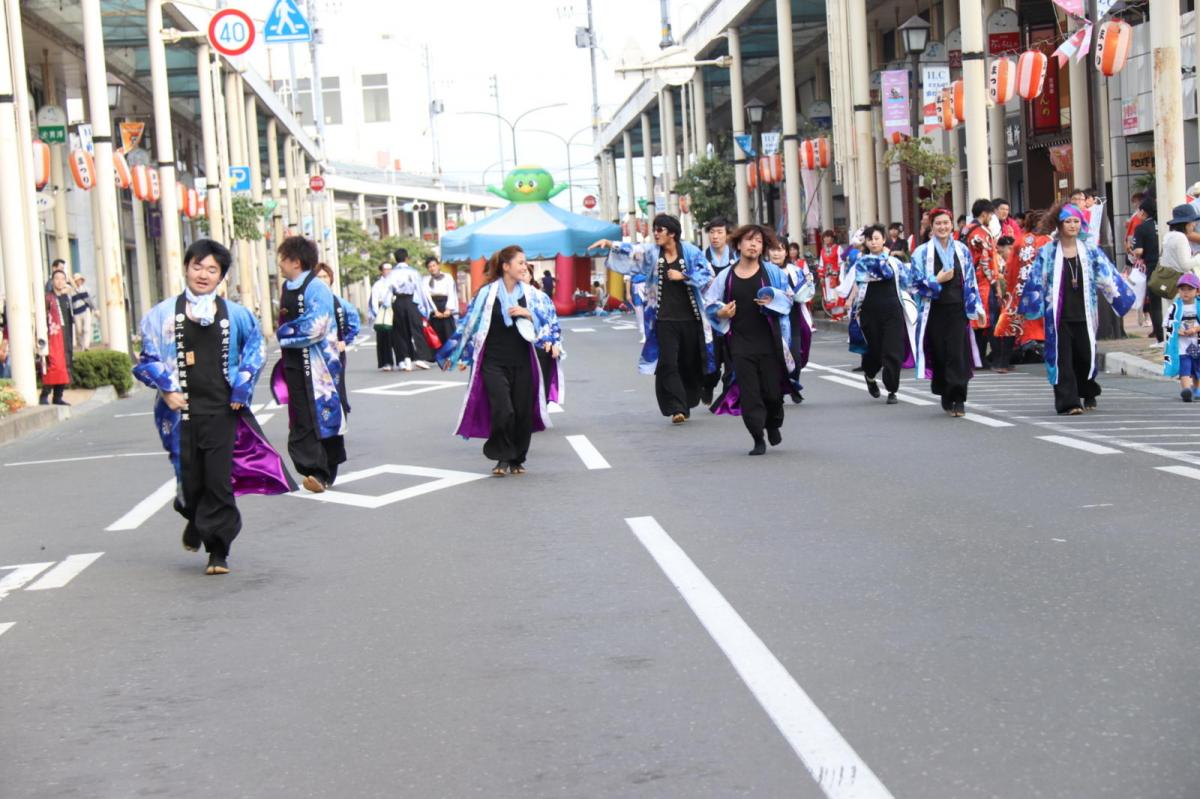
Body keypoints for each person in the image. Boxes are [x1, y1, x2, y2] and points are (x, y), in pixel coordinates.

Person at [132, 239, 294, 575]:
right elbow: (146, 357)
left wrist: (242, 386)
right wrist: (166, 388)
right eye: (197, 266)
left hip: (223, 409)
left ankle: (218, 551)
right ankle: (193, 516)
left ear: (221, 277)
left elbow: (256, 349)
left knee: (219, 481)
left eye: (212, 269)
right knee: (189, 483)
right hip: (180, 413)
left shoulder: (236, 315)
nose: (203, 274)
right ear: (186, 267)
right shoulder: (161, 315)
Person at [438, 245, 556, 476]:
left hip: (523, 360)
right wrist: (455, 354)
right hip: (493, 361)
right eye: (520, 263)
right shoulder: (486, 293)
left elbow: (550, 320)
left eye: (525, 263)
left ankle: (517, 459)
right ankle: (502, 456)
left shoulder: (533, 295)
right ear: (505, 266)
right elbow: (469, 325)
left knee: (522, 412)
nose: (525, 267)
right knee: (503, 409)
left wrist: (528, 314)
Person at [589, 214, 716, 424]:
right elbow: (634, 250)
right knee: (667, 363)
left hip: (691, 319)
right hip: (663, 319)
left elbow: (707, 273)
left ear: (672, 233)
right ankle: (677, 408)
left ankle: (687, 399)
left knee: (688, 363)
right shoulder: (653, 253)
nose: (655, 233)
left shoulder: (691, 252)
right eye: (654, 229)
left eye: (660, 230)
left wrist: (684, 276)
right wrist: (611, 243)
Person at [1020, 204, 1136, 414]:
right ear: (1059, 224)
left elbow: (1106, 276)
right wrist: (1030, 306)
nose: (1073, 226)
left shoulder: (1089, 249)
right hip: (1058, 315)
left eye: (1076, 221)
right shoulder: (1048, 251)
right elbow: (1036, 279)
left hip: (1084, 312)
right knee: (1062, 358)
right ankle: (1069, 402)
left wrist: (1120, 295)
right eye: (1068, 221)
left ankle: (1088, 390)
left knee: (1085, 355)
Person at [704, 224, 796, 455]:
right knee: (749, 393)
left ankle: (773, 424)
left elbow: (789, 299)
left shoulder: (772, 273)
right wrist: (722, 312)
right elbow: (710, 304)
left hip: (770, 341)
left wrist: (774, 300)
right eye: (748, 240)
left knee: (772, 393)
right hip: (739, 343)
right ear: (738, 244)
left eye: (758, 241)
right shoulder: (726, 276)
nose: (753, 244)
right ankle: (757, 437)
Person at [274, 236, 348, 493]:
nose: (280, 264)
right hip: (294, 362)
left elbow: (317, 326)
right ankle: (315, 470)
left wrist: (284, 334)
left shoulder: (317, 288)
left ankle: (321, 471)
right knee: (301, 417)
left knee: (321, 415)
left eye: (283, 258)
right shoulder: (286, 287)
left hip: (319, 366)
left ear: (295, 260)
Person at [911, 208, 984, 417]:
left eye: (946, 223)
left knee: (958, 354)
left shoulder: (962, 250)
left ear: (952, 225)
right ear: (931, 228)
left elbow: (971, 282)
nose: (942, 227)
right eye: (938, 224)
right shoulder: (921, 253)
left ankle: (959, 398)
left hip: (957, 309)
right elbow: (913, 285)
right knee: (941, 354)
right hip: (933, 310)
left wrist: (977, 307)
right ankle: (946, 391)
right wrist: (937, 280)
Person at [841, 225, 917, 405]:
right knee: (874, 350)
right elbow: (869, 277)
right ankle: (869, 374)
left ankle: (892, 389)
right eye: (870, 239)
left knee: (893, 350)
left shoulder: (896, 263)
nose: (874, 242)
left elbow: (908, 282)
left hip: (893, 310)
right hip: (870, 311)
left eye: (877, 238)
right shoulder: (862, 262)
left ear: (884, 239)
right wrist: (850, 301)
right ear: (866, 242)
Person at [994, 211, 1050, 369]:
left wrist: (1011, 288)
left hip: (1020, 289)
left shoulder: (1020, 241)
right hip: (1041, 291)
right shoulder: (1048, 241)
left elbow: (1011, 268)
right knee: (1044, 323)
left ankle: (1003, 362)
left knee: (1013, 324)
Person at [314, 262, 359, 416]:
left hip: (335, 354)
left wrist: (345, 341)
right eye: (318, 277)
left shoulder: (340, 303)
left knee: (336, 386)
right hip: (315, 354)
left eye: (325, 276)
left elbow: (354, 324)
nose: (322, 279)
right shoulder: (309, 303)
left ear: (331, 279)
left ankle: (339, 419)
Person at [770, 238, 813, 403]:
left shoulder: (795, 271)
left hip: (794, 318)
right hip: (772, 320)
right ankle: (779, 391)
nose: (776, 253)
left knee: (796, 355)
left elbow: (808, 289)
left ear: (786, 252)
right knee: (776, 357)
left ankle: (794, 383)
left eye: (780, 249)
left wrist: (796, 293)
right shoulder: (762, 270)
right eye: (773, 249)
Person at [963, 199, 1001, 367]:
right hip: (983, 282)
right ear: (984, 214)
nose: (991, 218)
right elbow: (986, 261)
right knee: (987, 319)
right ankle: (985, 358)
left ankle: (977, 357)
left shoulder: (966, 229)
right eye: (991, 215)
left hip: (970, 279)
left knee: (977, 320)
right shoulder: (981, 232)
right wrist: (995, 282)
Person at [521, 267, 565, 405]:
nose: (522, 275)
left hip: (541, 345)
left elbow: (553, 321)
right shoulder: (505, 297)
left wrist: (555, 343)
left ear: (530, 277)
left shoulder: (542, 297)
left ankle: (537, 413)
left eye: (525, 272)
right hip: (518, 346)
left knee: (542, 384)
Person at [388, 248, 436, 371]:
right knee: (416, 328)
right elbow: (420, 290)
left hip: (397, 301)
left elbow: (387, 291)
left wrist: (387, 305)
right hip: (411, 301)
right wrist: (424, 307)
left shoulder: (391, 273)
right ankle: (419, 357)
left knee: (401, 331)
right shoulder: (413, 272)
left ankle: (407, 358)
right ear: (406, 258)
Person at [703, 216, 734, 402]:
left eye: (719, 232)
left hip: (732, 313)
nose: (715, 236)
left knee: (733, 358)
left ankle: (728, 394)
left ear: (727, 235)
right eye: (712, 232)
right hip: (710, 316)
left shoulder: (736, 257)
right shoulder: (701, 258)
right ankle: (708, 385)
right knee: (712, 358)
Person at [1132, 197, 1164, 345]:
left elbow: (1138, 251)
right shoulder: (1163, 223)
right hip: (1168, 267)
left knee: (1155, 304)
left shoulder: (1141, 228)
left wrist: (1132, 252)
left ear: (1143, 212)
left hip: (1153, 268)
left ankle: (1161, 338)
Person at [1164, 273, 1200, 402]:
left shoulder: (1198, 306)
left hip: (1196, 343)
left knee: (1197, 368)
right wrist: (1177, 330)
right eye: (1182, 289)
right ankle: (1186, 390)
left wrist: (1195, 329)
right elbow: (1167, 322)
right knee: (1184, 367)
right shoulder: (1175, 307)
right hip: (1182, 346)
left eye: (1189, 289)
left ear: (1197, 291)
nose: (1185, 292)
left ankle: (1197, 389)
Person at [40, 269, 72, 406]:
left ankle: (58, 396)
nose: (60, 281)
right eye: (57, 278)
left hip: (66, 334)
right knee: (53, 366)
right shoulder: (48, 298)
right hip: (53, 336)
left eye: (62, 278)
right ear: (52, 281)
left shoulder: (65, 298)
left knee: (65, 365)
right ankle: (44, 395)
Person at [988, 235, 1017, 372]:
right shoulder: (995, 261)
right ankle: (999, 360)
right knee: (997, 327)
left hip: (1010, 297)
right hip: (996, 296)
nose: (1011, 252)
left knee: (1010, 327)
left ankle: (1004, 360)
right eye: (1009, 249)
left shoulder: (1013, 262)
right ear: (999, 248)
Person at [425, 256, 458, 347]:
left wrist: (449, 309)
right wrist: (435, 311)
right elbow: (427, 297)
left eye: (434, 265)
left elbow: (451, 293)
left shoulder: (448, 277)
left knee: (449, 333)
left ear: (438, 266)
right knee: (436, 334)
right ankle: (437, 356)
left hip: (445, 304)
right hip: (434, 306)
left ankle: (450, 355)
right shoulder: (425, 280)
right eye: (429, 267)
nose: (432, 268)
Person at [369, 262, 395, 370]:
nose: (388, 271)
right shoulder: (377, 285)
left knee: (398, 336)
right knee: (383, 337)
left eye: (390, 269)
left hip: (395, 309)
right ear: (381, 271)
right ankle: (386, 362)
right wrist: (376, 314)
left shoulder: (395, 282)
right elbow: (374, 301)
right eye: (386, 269)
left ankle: (402, 359)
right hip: (382, 311)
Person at [817, 230, 847, 320]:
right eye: (824, 237)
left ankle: (839, 315)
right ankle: (834, 315)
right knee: (830, 295)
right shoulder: (823, 251)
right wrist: (821, 276)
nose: (826, 238)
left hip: (836, 276)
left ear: (833, 238)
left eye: (828, 236)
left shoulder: (838, 248)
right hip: (827, 277)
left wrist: (839, 275)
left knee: (836, 294)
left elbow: (841, 263)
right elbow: (821, 264)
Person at [70, 273, 96, 351]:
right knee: (79, 330)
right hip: (76, 312)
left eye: (79, 280)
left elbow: (90, 300)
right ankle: (82, 346)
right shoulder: (71, 291)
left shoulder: (85, 289)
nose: (78, 282)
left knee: (86, 329)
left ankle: (86, 346)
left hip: (85, 310)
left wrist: (94, 308)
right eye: (77, 280)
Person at [624, 271, 648, 343]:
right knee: (639, 312)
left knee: (651, 311)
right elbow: (628, 280)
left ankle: (652, 334)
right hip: (637, 289)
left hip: (649, 286)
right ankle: (643, 334)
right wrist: (628, 294)